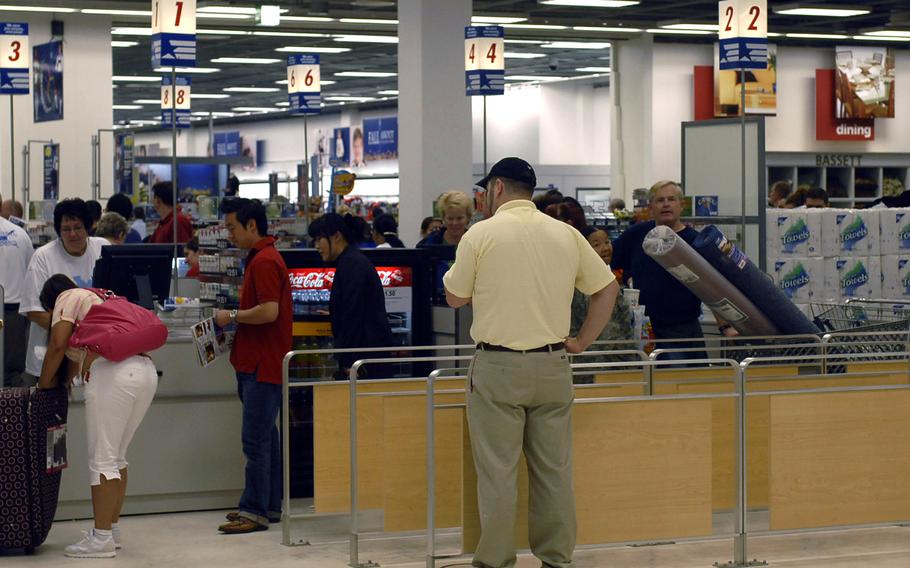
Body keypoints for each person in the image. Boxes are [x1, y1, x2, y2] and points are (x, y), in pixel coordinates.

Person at [444, 157, 618, 568]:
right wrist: (582, 342)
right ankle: (556, 559)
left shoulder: (480, 234)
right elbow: (607, 290)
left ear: (498, 188)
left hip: (497, 368)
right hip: (554, 364)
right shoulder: (566, 234)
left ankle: (497, 560)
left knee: (498, 473)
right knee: (554, 472)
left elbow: (454, 297)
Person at [36, 275, 158, 558]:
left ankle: (101, 539)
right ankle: (111, 531)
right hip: (145, 371)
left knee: (102, 459)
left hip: (113, 373)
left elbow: (57, 345)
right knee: (117, 457)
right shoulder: (103, 297)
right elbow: (71, 359)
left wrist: (42, 387)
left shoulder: (68, 298)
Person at [213, 198, 292, 534]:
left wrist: (230, 316)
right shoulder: (262, 258)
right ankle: (270, 505)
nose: (228, 234)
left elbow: (269, 311)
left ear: (252, 226)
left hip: (261, 364)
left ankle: (254, 510)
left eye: (232, 227)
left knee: (255, 441)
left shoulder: (264, 261)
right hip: (258, 361)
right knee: (267, 439)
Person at [611, 181, 717, 361]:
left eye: (671, 199)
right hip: (643, 327)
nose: (666, 204)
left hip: (683, 328)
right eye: (660, 200)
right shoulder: (636, 234)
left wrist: (725, 326)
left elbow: (713, 287)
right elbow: (611, 261)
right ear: (651, 206)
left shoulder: (694, 241)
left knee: (685, 384)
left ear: (681, 205)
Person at [19, 199, 108, 388]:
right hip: (52, 356)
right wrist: (76, 332)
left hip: (94, 357)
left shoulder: (102, 249)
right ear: (58, 231)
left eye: (78, 227)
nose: (73, 234)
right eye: (66, 229)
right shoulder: (43, 257)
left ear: (89, 226)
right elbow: (33, 311)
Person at [308, 213, 392, 379]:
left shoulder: (351, 264)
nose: (317, 245)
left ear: (337, 236)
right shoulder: (351, 261)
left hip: (364, 362)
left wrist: (348, 362)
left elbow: (353, 315)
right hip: (367, 358)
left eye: (319, 239)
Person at [570, 226, 634, 365]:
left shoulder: (610, 278)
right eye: (596, 245)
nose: (605, 248)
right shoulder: (581, 285)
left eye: (607, 242)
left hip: (619, 359)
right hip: (593, 361)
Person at [0, 195, 33, 387]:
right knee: (11, 371)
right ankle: (12, 413)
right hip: (15, 312)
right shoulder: (20, 234)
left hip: (13, 308)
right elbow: (31, 272)